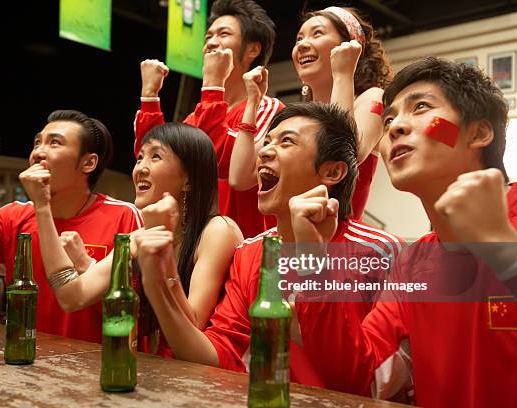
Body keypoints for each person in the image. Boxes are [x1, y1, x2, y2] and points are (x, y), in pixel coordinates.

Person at [295, 57, 517, 407]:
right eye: (388, 120)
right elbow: (359, 377)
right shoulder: (414, 263)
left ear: (479, 133)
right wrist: (313, 263)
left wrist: (503, 252)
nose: (395, 127)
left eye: (421, 107)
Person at [135, 102, 403, 387]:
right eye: (268, 140)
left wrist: (312, 261)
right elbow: (219, 354)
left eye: (286, 141)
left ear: (333, 172)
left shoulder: (382, 253)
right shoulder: (249, 253)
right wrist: (157, 280)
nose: (263, 151)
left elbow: (372, 382)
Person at [0, 110, 142, 343]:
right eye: (37, 142)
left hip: (98, 371)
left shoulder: (124, 217)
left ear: (88, 162)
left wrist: (85, 267)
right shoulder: (13, 219)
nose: (39, 152)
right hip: (27, 367)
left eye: (55, 143)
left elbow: (137, 315)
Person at [20, 123, 243, 349]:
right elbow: (71, 297)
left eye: (155, 156)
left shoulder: (217, 231)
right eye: (139, 158)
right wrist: (42, 205)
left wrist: (163, 263)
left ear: (188, 179)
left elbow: (193, 325)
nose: (140, 169)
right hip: (157, 372)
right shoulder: (139, 237)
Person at [135, 0, 282, 238]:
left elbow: (215, 160)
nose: (211, 42)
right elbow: (155, 162)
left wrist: (213, 84)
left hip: (242, 246)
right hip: (194, 244)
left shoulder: (268, 108)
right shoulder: (198, 114)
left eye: (223, 34)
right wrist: (150, 97)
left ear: (253, 50)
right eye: (208, 36)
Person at [230, 6, 393, 220]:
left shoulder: (372, 97)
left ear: (351, 45)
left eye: (317, 33)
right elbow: (239, 178)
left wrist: (343, 74)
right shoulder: (295, 118)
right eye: (298, 39)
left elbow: (343, 151)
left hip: (334, 246)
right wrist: (253, 102)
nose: (303, 45)